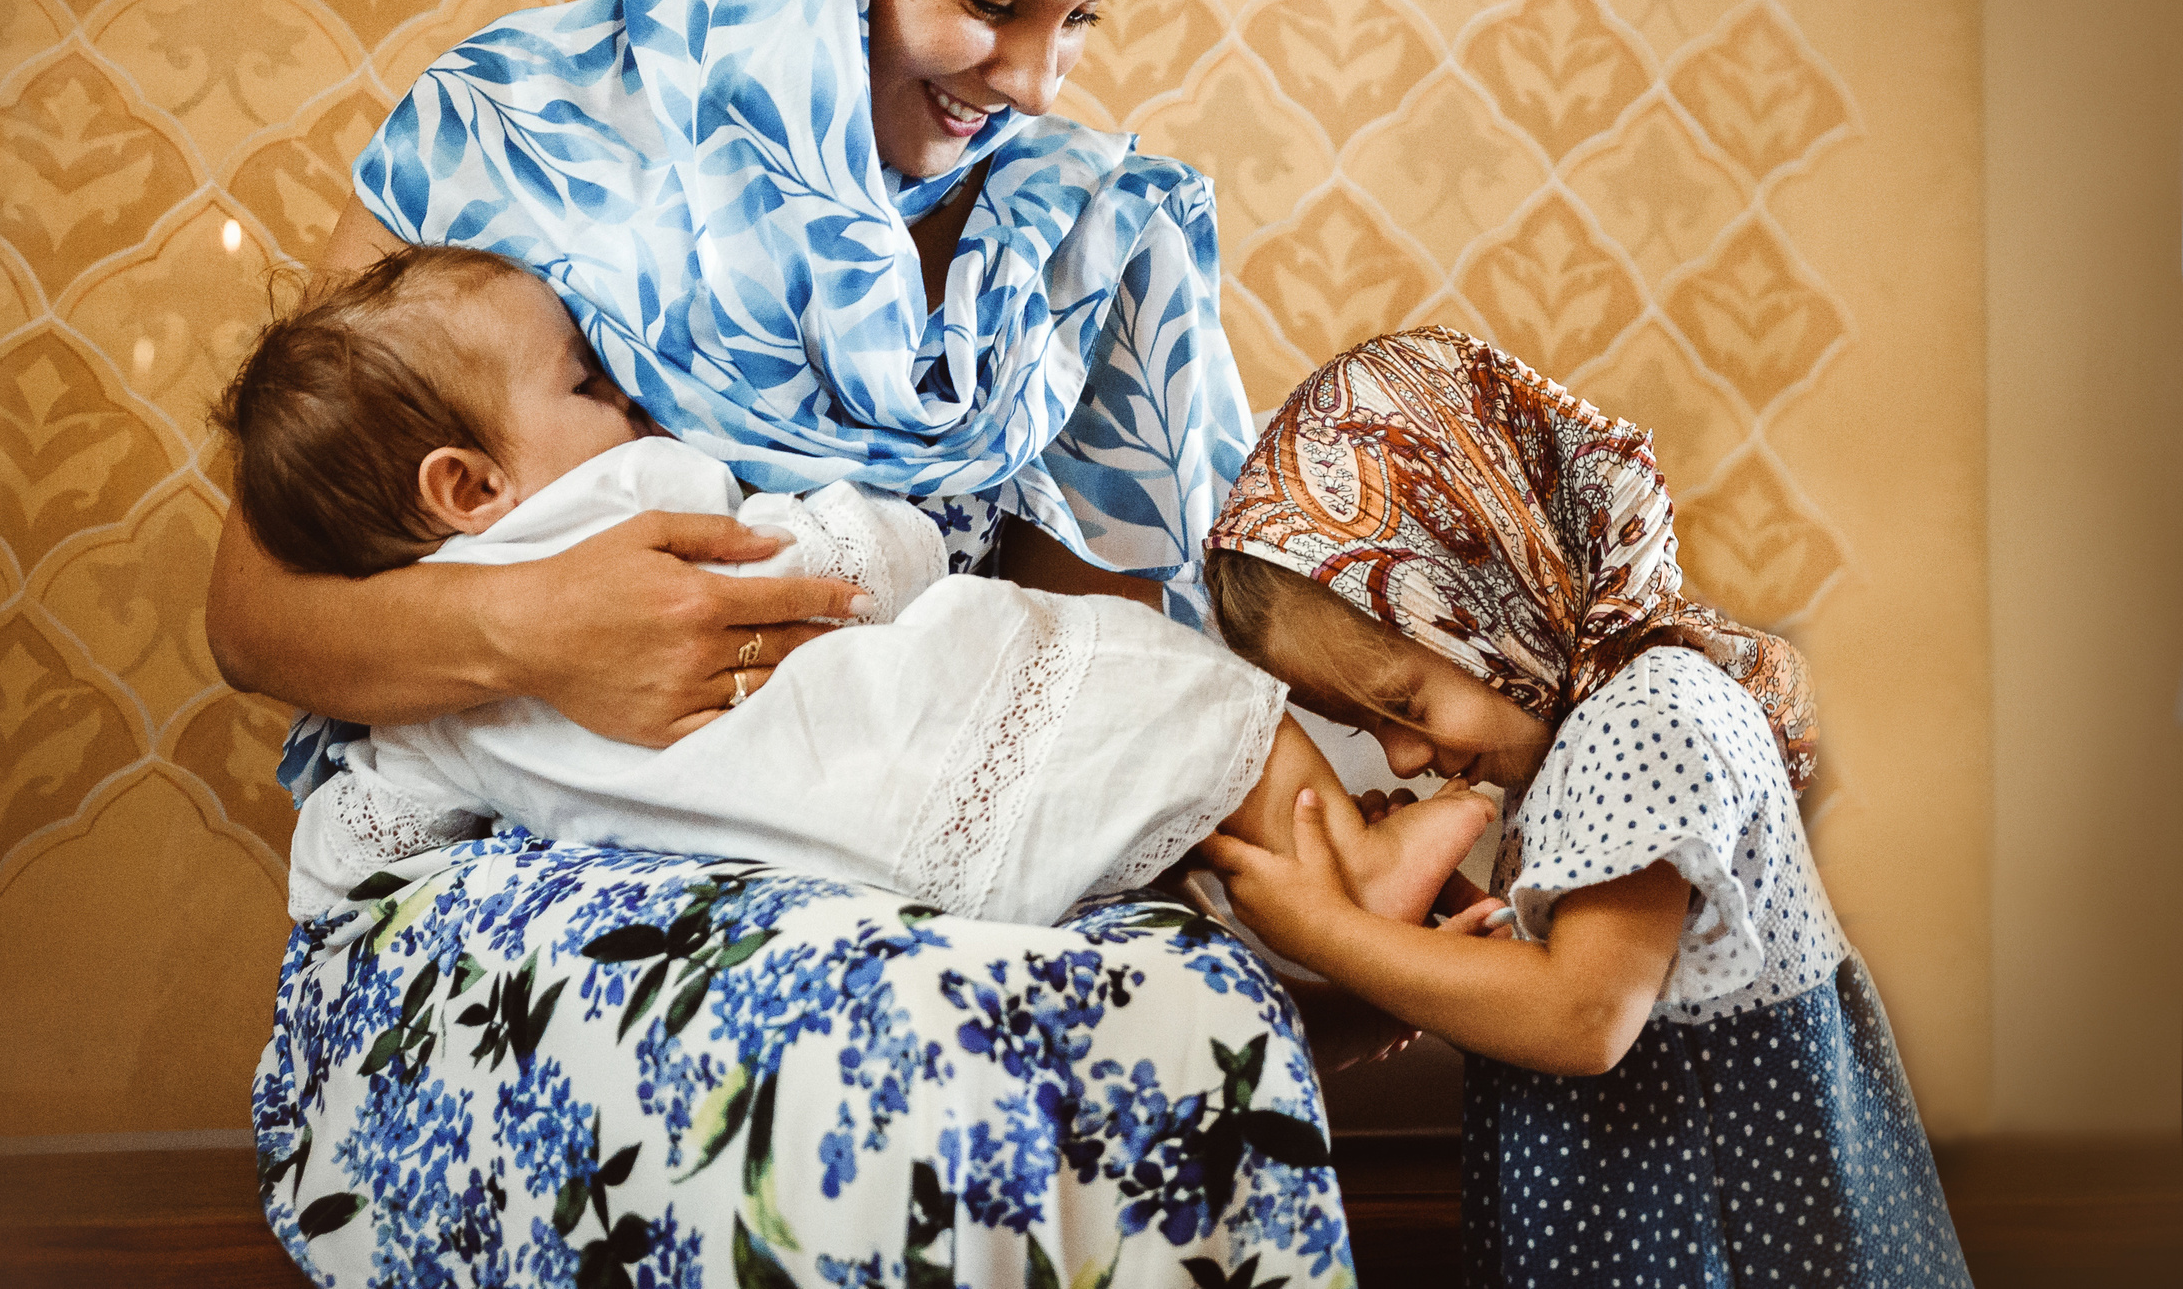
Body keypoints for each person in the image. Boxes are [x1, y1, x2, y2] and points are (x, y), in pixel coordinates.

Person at [221, 0, 1368, 1286]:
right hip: (544, 838)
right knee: (901, 1068)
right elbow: (254, 606)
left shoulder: (1088, 235)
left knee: (1165, 1018)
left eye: (1083, 19)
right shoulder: (511, 135)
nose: (1036, 78)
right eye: (991, 1)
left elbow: (1081, 670)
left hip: (929, 810)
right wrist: (541, 632)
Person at [216, 242, 1497, 927]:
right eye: (585, 385)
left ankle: (1340, 901)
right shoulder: (618, 507)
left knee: (1144, 789)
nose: (625, 397)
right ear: (467, 487)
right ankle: (1352, 859)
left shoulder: (418, 706)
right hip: (909, 739)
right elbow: (826, 571)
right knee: (1163, 685)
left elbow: (361, 838)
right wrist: (887, 534)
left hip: (841, 857)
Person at [1195, 327, 1975, 1288]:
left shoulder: (1645, 717)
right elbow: (1590, 965)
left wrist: (1325, 932)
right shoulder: (1584, 728)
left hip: (1728, 1241)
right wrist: (1440, 942)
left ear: (1495, 590)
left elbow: (1584, 1013)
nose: (1400, 752)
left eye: (1403, 704)